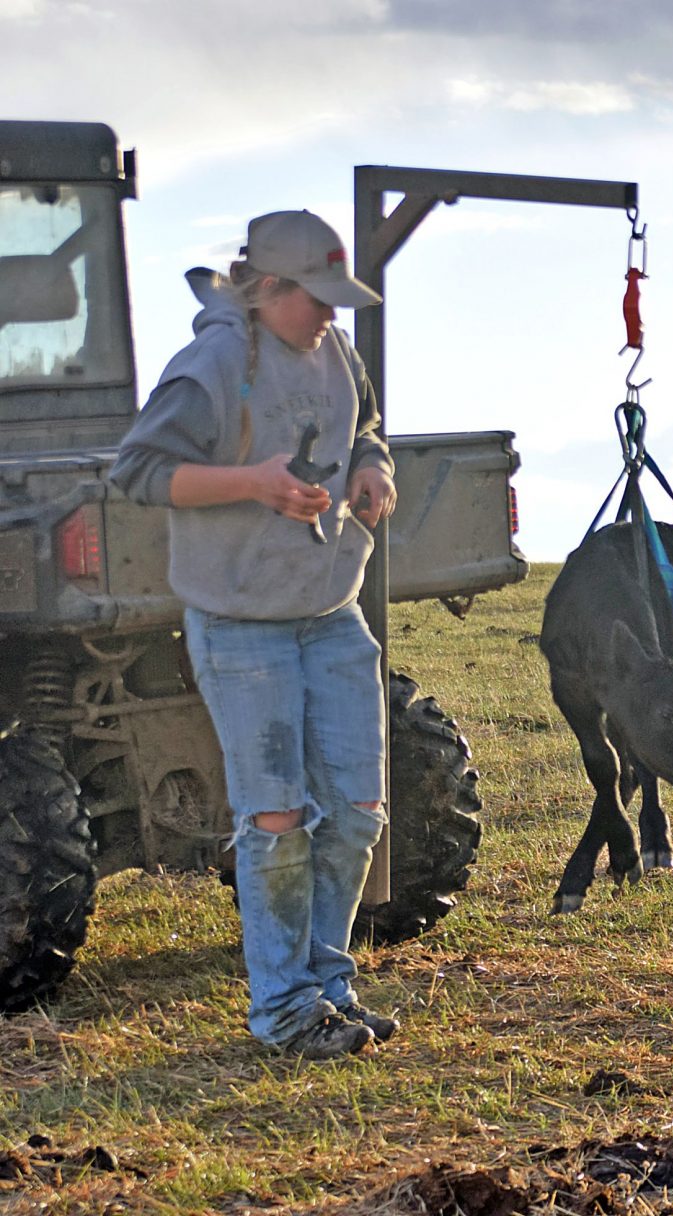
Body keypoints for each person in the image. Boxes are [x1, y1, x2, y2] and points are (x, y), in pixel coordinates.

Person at [111, 210, 399, 1060]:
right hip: (242, 628)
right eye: (316, 298)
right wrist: (256, 485)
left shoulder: (337, 354)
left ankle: (328, 988)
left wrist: (371, 473)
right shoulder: (211, 366)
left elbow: (368, 431)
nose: (330, 315)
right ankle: (283, 1010)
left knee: (355, 810)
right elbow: (139, 472)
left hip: (332, 616)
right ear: (269, 289)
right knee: (276, 822)